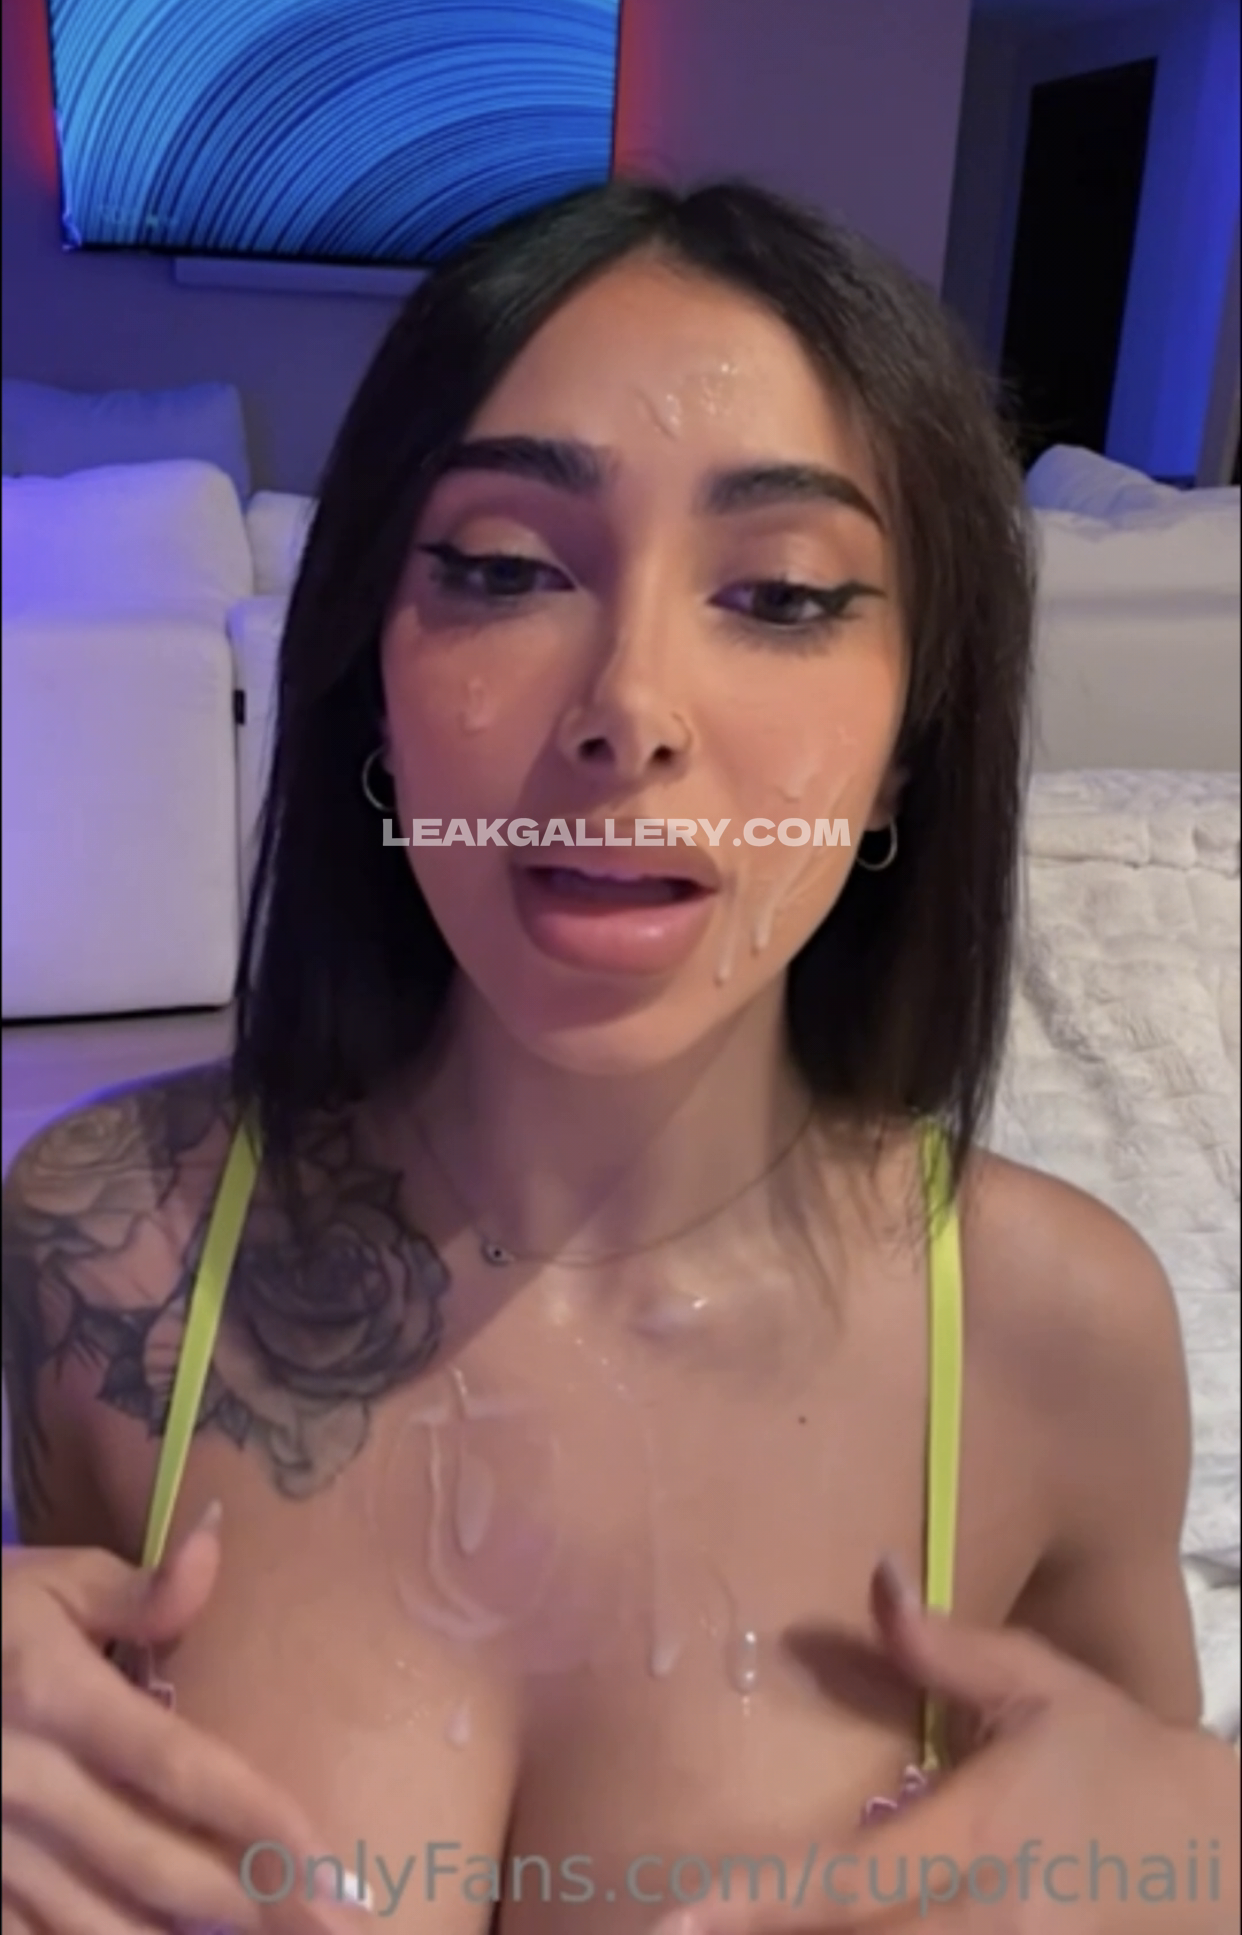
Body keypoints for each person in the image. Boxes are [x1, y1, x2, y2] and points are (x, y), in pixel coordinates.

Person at [1, 178, 1236, 1935]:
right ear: (372, 673)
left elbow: (1139, 1846)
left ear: (909, 740)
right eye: (505, 570)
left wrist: (1209, 1856)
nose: (629, 709)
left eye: (783, 595)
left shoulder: (1058, 1336)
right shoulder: (102, 1244)